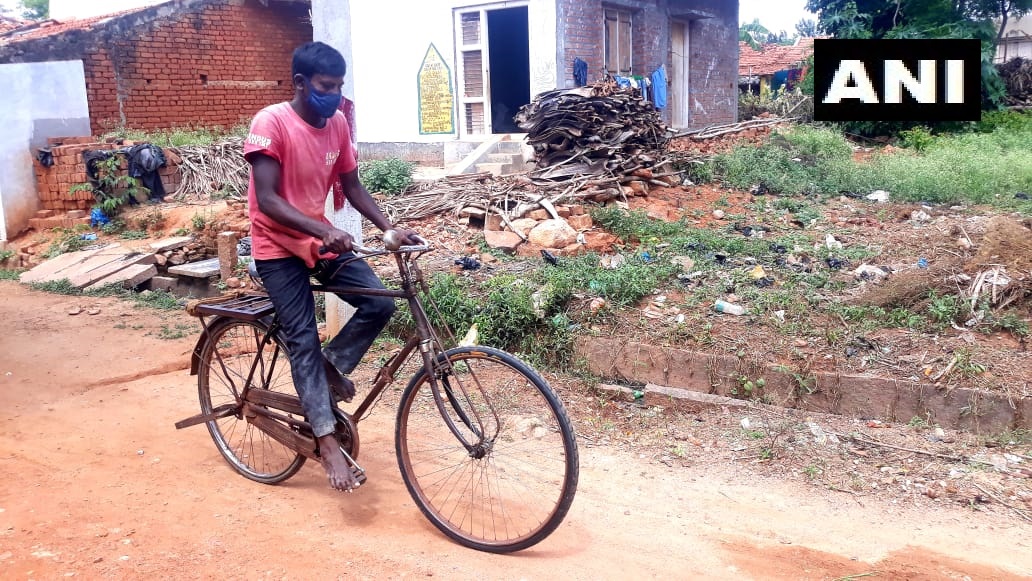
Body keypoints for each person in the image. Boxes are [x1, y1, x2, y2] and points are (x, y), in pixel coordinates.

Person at [243, 41, 418, 492]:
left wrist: (388, 227)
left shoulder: (337, 122)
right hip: (277, 245)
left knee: (378, 303)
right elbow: (267, 200)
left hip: (318, 237)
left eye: (340, 86)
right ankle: (325, 443)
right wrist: (321, 231)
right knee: (302, 338)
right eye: (326, 86)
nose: (335, 95)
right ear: (300, 83)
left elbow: (352, 186)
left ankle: (329, 366)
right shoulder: (271, 123)